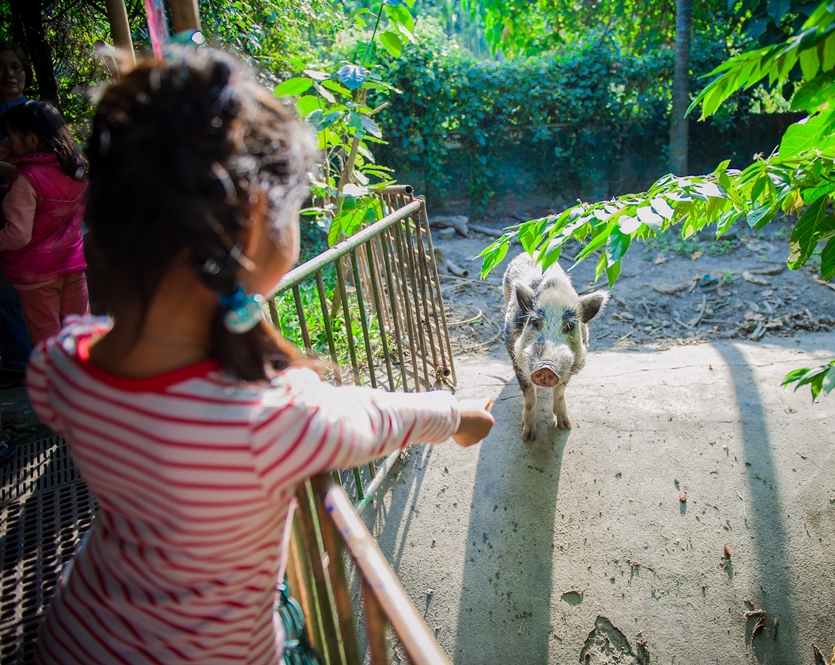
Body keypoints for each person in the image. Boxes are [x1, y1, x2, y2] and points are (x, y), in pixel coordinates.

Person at [27, 47, 494, 664]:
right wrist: (456, 415)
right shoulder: (266, 423)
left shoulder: (62, 362)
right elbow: (379, 416)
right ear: (252, 219)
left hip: (72, 637)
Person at [0, 101, 89, 346]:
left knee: (47, 341)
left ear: (30, 140)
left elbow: (18, 235)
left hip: (36, 275)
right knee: (82, 333)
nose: (7, 143)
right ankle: (84, 380)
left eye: (10, 137)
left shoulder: (25, 180)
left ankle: (51, 383)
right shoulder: (73, 169)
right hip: (72, 265)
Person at [0, 42, 34, 390]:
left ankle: (29, 364)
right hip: (7, 218)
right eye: (2, 67)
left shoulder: (36, 115)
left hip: (37, 223)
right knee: (8, 295)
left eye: (16, 67)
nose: (9, 74)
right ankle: (19, 363)